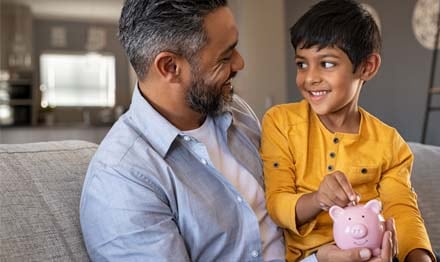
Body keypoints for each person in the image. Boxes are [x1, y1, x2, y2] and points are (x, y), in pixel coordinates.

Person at [79, 0, 287, 261]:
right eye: (225, 56)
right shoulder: (122, 180)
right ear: (170, 67)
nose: (240, 63)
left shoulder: (237, 113)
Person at [261, 0, 436, 262]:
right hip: (313, 257)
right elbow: (277, 203)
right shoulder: (280, 122)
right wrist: (319, 199)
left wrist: (418, 257)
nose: (309, 78)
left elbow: (402, 209)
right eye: (302, 64)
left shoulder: (389, 143)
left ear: (367, 67)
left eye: (327, 64)